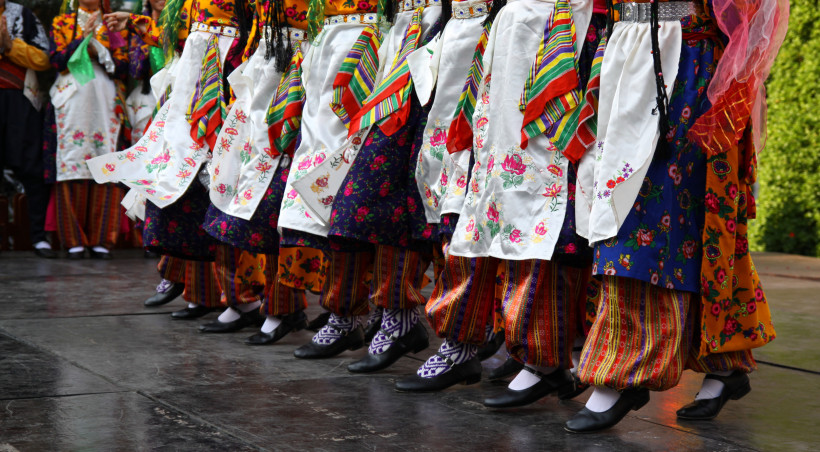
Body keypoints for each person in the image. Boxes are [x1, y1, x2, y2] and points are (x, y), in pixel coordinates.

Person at [565, 0, 787, 432]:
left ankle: (622, 373)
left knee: (646, 219)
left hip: (683, 67)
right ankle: (725, 361)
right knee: (663, 219)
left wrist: (731, 91)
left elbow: (756, 14)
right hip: (627, 56)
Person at [201, 0, 328, 344]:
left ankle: (283, 307)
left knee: (275, 204)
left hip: (303, 70)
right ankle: (242, 298)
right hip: (264, 68)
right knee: (230, 198)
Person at [48, 0, 128, 259]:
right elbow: (56, 60)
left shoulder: (113, 23)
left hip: (104, 98)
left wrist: (100, 51)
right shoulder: (62, 22)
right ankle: (73, 240)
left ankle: (103, 238)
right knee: (71, 162)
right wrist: (81, 40)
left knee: (105, 162)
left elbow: (124, 66)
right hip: (71, 97)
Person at [0, 0, 54, 258]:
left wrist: (10, 46)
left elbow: (44, 57)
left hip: (20, 100)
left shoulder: (23, 14)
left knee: (31, 167)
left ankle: (38, 237)